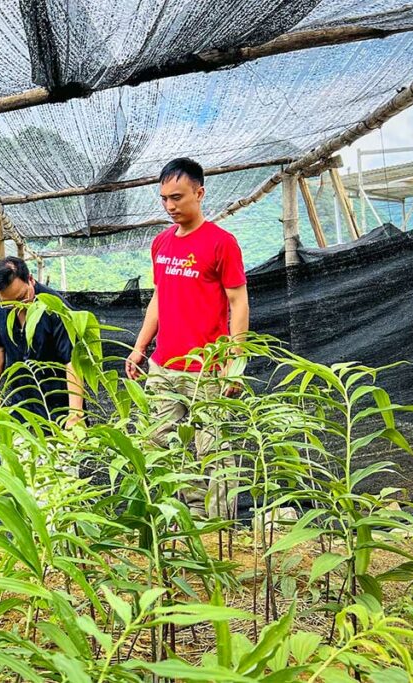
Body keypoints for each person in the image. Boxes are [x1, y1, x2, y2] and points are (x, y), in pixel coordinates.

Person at [125, 157, 250, 518]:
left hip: (206, 368)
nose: (170, 206)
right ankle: (192, 514)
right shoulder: (161, 243)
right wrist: (140, 347)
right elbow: (159, 297)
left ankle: (219, 525)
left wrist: (235, 362)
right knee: (159, 442)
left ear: (200, 193)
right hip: (164, 365)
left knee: (213, 447)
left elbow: (238, 302)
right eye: (164, 199)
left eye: (177, 197)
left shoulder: (221, 243)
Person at [0, 256, 84, 427]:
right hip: (21, 402)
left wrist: (75, 414)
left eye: (21, 298)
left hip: (59, 405)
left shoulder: (56, 308)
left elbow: (72, 361)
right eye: (9, 304)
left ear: (30, 279)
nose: (17, 306)